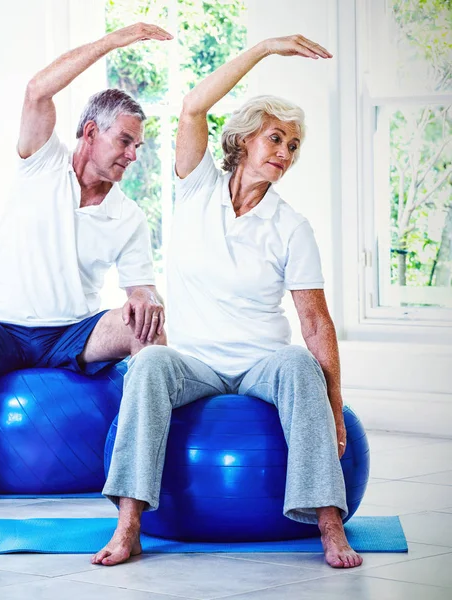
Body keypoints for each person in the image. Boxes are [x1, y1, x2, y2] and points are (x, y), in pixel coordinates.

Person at [94, 34, 363, 569]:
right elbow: (194, 106)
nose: (284, 154)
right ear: (243, 141)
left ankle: (330, 527)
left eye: (292, 146)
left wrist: (335, 412)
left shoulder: (292, 226)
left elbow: (315, 324)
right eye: (275, 139)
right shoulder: (196, 188)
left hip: (263, 362)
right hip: (194, 362)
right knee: (147, 363)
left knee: (298, 363)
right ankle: (128, 527)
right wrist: (264, 49)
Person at [0, 23, 172, 517]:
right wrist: (111, 42)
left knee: (150, 331)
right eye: (125, 141)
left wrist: (148, 302)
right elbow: (38, 90)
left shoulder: (129, 215)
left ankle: (142, 478)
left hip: (73, 332)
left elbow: (142, 288)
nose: (133, 155)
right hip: (3, 328)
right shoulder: (41, 162)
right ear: (90, 131)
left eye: (138, 146)